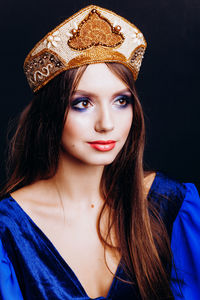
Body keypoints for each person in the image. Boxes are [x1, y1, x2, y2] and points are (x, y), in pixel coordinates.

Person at [0, 4, 199, 300]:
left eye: (121, 101)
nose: (107, 124)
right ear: (51, 113)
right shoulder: (9, 232)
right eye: (82, 103)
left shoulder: (170, 206)